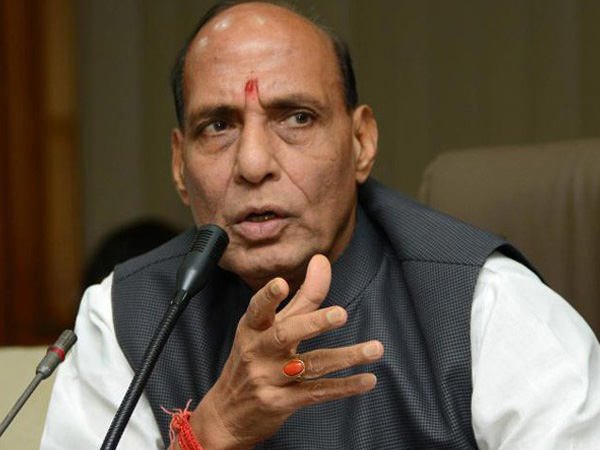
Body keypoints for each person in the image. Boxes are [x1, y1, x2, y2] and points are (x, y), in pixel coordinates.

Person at [41, 1, 600, 449]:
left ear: (361, 143)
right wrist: (212, 433)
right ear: (178, 166)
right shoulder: (124, 317)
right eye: (217, 126)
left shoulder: (488, 307)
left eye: (297, 117)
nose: (253, 163)